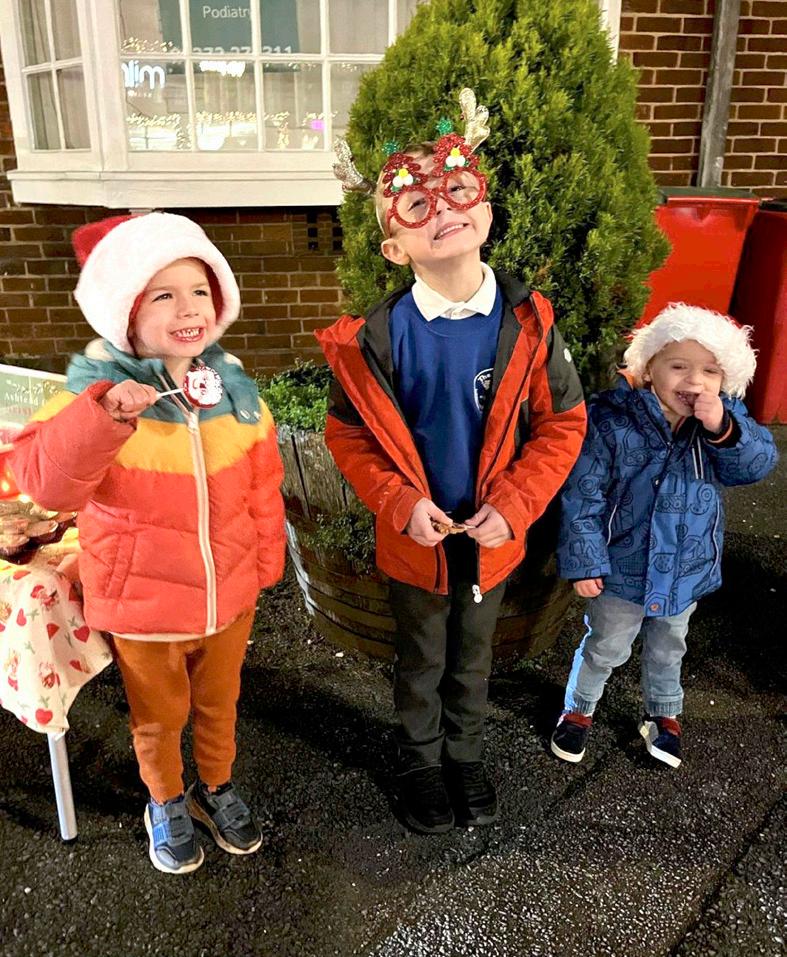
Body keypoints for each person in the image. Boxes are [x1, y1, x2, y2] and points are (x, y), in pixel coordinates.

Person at [317, 90, 587, 833]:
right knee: (421, 658)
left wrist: (517, 505)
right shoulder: (373, 340)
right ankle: (419, 759)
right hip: (415, 539)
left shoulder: (530, 324)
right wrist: (400, 503)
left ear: (487, 214)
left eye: (458, 190)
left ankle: (463, 755)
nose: (442, 208)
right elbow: (349, 437)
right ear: (394, 249)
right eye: (415, 205)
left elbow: (562, 424)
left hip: (493, 536)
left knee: (473, 658)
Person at [9, 212, 286, 873]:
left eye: (199, 290)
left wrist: (264, 565)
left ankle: (213, 786)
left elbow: (263, 483)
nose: (188, 308)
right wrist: (104, 416)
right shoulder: (91, 393)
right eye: (163, 294)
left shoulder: (233, 388)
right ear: (123, 310)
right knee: (159, 718)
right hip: (145, 610)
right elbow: (44, 480)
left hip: (229, 599)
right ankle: (163, 799)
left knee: (219, 704)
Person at [553, 302, 777, 768]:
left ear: (725, 379)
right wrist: (585, 560)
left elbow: (755, 465)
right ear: (648, 367)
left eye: (710, 371)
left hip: (685, 568)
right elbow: (583, 494)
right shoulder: (611, 420)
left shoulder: (724, 420)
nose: (694, 382)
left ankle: (664, 714)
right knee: (605, 645)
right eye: (679, 366)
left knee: (670, 646)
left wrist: (723, 429)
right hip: (622, 569)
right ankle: (578, 708)